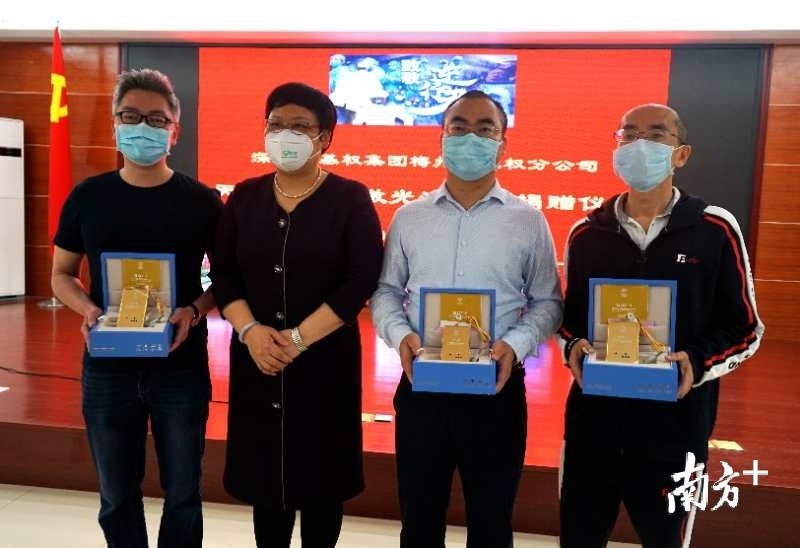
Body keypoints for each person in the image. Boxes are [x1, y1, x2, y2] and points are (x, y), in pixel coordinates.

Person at [557, 103, 764, 548]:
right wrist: (573, 346)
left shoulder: (714, 229)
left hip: (677, 426)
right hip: (594, 423)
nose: (639, 145)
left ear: (681, 154)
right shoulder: (587, 233)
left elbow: (746, 328)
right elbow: (567, 320)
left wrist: (697, 361)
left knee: (665, 538)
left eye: (655, 135)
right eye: (628, 135)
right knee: (579, 536)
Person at [370, 90, 563, 548]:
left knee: (492, 524)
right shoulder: (409, 217)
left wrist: (515, 344)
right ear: (442, 137)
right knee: (419, 523)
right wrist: (401, 336)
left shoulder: (528, 220)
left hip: (496, 389)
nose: (470, 138)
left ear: (503, 144)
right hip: (422, 386)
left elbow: (548, 302)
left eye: (484, 129)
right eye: (458, 127)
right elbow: (385, 292)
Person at [51, 68, 222, 548]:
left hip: (180, 364)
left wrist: (193, 309)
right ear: (114, 124)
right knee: (115, 493)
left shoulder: (203, 201)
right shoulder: (88, 197)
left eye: (156, 118)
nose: (143, 127)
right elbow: (61, 274)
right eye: (130, 116)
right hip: (108, 365)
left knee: (183, 493)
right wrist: (88, 309)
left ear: (174, 131)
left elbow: (226, 280)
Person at [211, 82, 383, 548]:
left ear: (324, 138)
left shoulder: (350, 198)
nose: (285, 134)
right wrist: (250, 331)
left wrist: (299, 339)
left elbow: (361, 279)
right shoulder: (244, 197)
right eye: (276, 124)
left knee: (323, 484)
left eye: (300, 126)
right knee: (266, 484)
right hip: (258, 358)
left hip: (325, 362)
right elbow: (224, 274)